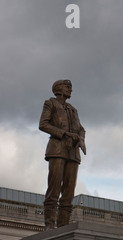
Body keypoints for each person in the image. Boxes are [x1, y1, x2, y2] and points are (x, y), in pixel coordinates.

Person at [39, 79, 86, 230]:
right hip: (57, 150)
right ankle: (49, 224)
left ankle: (63, 225)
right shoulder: (50, 104)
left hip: (73, 152)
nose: (70, 90)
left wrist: (81, 139)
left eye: (70, 87)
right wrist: (64, 134)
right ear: (58, 89)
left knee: (68, 192)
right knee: (54, 188)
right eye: (67, 87)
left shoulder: (73, 109)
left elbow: (81, 129)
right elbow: (43, 124)